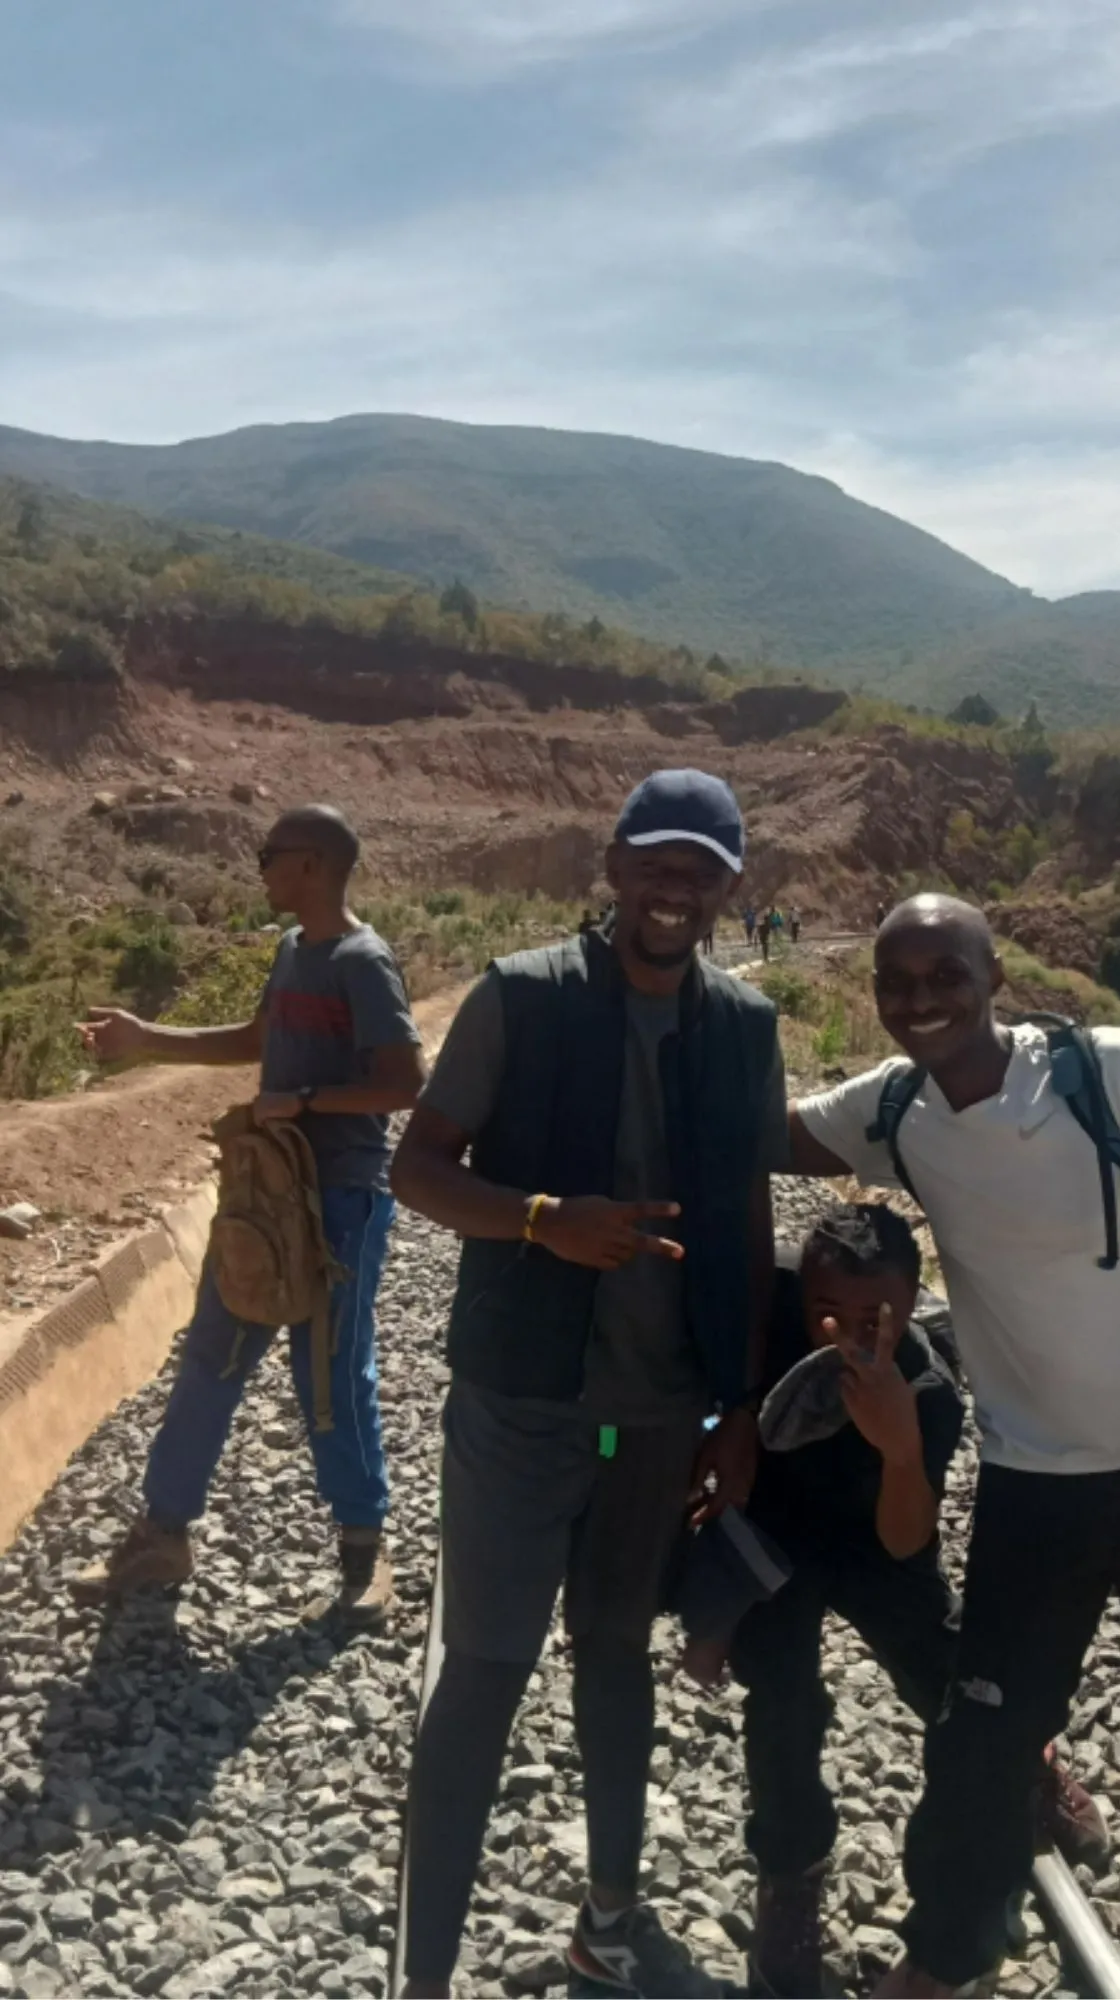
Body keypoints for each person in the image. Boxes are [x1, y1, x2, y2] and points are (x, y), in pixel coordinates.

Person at [788, 896, 1120, 1999]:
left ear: (992, 975)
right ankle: (946, 1953)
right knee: (983, 1732)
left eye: (944, 972)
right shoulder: (892, 1106)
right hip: (1035, 1484)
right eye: (898, 980)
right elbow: (752, 1127)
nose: (921, 998)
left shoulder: (1105, 1072)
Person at [392, 769, 787, 1999]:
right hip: (522, 1404)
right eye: (653, 862)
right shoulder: (521, 996)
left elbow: (751, 1214)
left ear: (729, 888)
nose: (673, 887)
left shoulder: (743, 1026)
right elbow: (416, 1167)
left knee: (614, 1653)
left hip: (653, 1422)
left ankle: (609, 1920)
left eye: (699, 868)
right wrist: (541, 1220)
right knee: (484, 1670)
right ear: (612, 867)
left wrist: (737, 1411)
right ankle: (422, 1971)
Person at [676, 1204, 1106, 1999]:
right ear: (799, 1293)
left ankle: (1035, 1769)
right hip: (774, 1537)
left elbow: (908, 1540)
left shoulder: (928, 1389)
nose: (848, 1331)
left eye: (878, 1317)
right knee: (780, 1704)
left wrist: (899, 1444)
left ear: (910, 1307)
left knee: (950, 1677)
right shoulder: (762, 1310)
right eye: (825, 1312)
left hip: (875, 1543)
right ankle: (790, 1876)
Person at [71, 806, 426, 1625]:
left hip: (340, 1196)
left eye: (270, 856)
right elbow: (257, 1038)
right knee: (212, 1354)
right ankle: (163, 1535)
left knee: (330, 1372)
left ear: (311, 864)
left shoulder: (364, 962)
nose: (259, 868)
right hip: (266, 1196)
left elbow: (404, 1084)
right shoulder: (291, 953)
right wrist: (144, 1038)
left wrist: (303, 1100)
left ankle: (366, 1553)